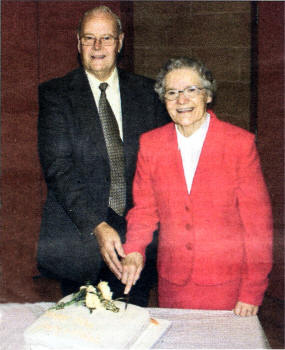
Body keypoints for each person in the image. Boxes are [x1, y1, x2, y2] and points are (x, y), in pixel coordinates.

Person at [109, 57, 273, 316]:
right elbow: (144, 210)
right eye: (172, 93)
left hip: (226, 285)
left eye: (190, 90)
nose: (181, 100)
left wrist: (252, 290)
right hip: (174, 283)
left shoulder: (239, 145)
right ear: (164, 100)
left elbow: (257, 227)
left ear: (207, 95)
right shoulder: (151, 145)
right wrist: (134, 250)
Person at [36, 5, 169, 306]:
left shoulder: (149, 94)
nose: (98, 47)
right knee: (82, 330)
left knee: (132, 323)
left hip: (136, 242)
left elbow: (161, 169)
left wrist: (139, 236)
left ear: (120, 42)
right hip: (81, 237)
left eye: (106, 38)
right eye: (89, 38)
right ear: (78, 42)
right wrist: (98, 225)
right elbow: (58, 168)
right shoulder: (56, 95)